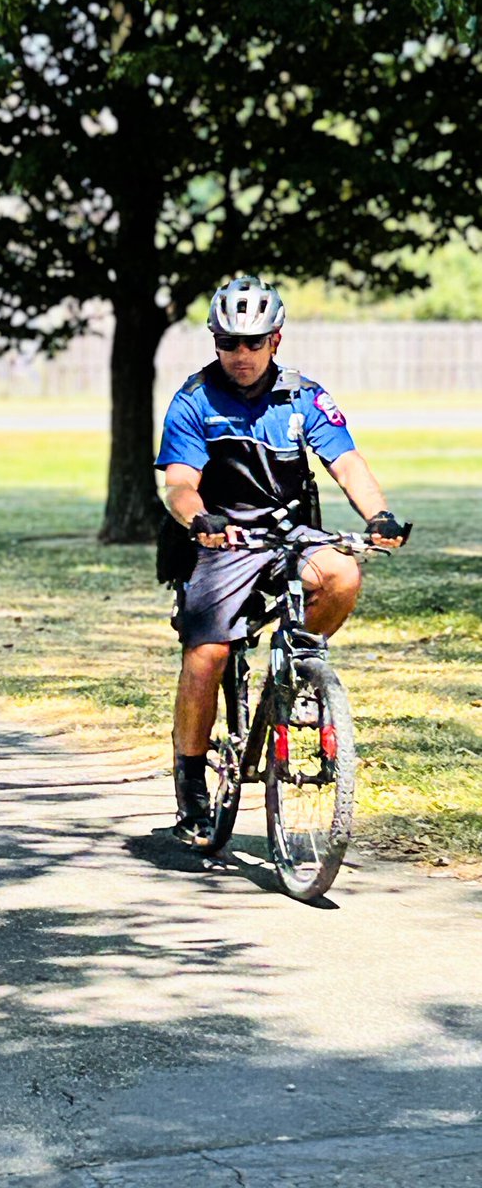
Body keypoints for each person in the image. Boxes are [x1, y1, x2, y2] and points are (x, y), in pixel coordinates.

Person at [156, 275, 408, 846]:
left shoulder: (304, 397)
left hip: (292, 534)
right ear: (215, 341)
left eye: (253, 342)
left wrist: (379, 516)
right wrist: (201, 519)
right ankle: (191, 777)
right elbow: (178, 485)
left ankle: (294, 673)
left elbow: (346, 462)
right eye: (228, 342)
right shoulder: (194, 400)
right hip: (223, 540)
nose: (240, 355)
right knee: (208, 654)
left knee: (343, 571)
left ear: (277, 339)